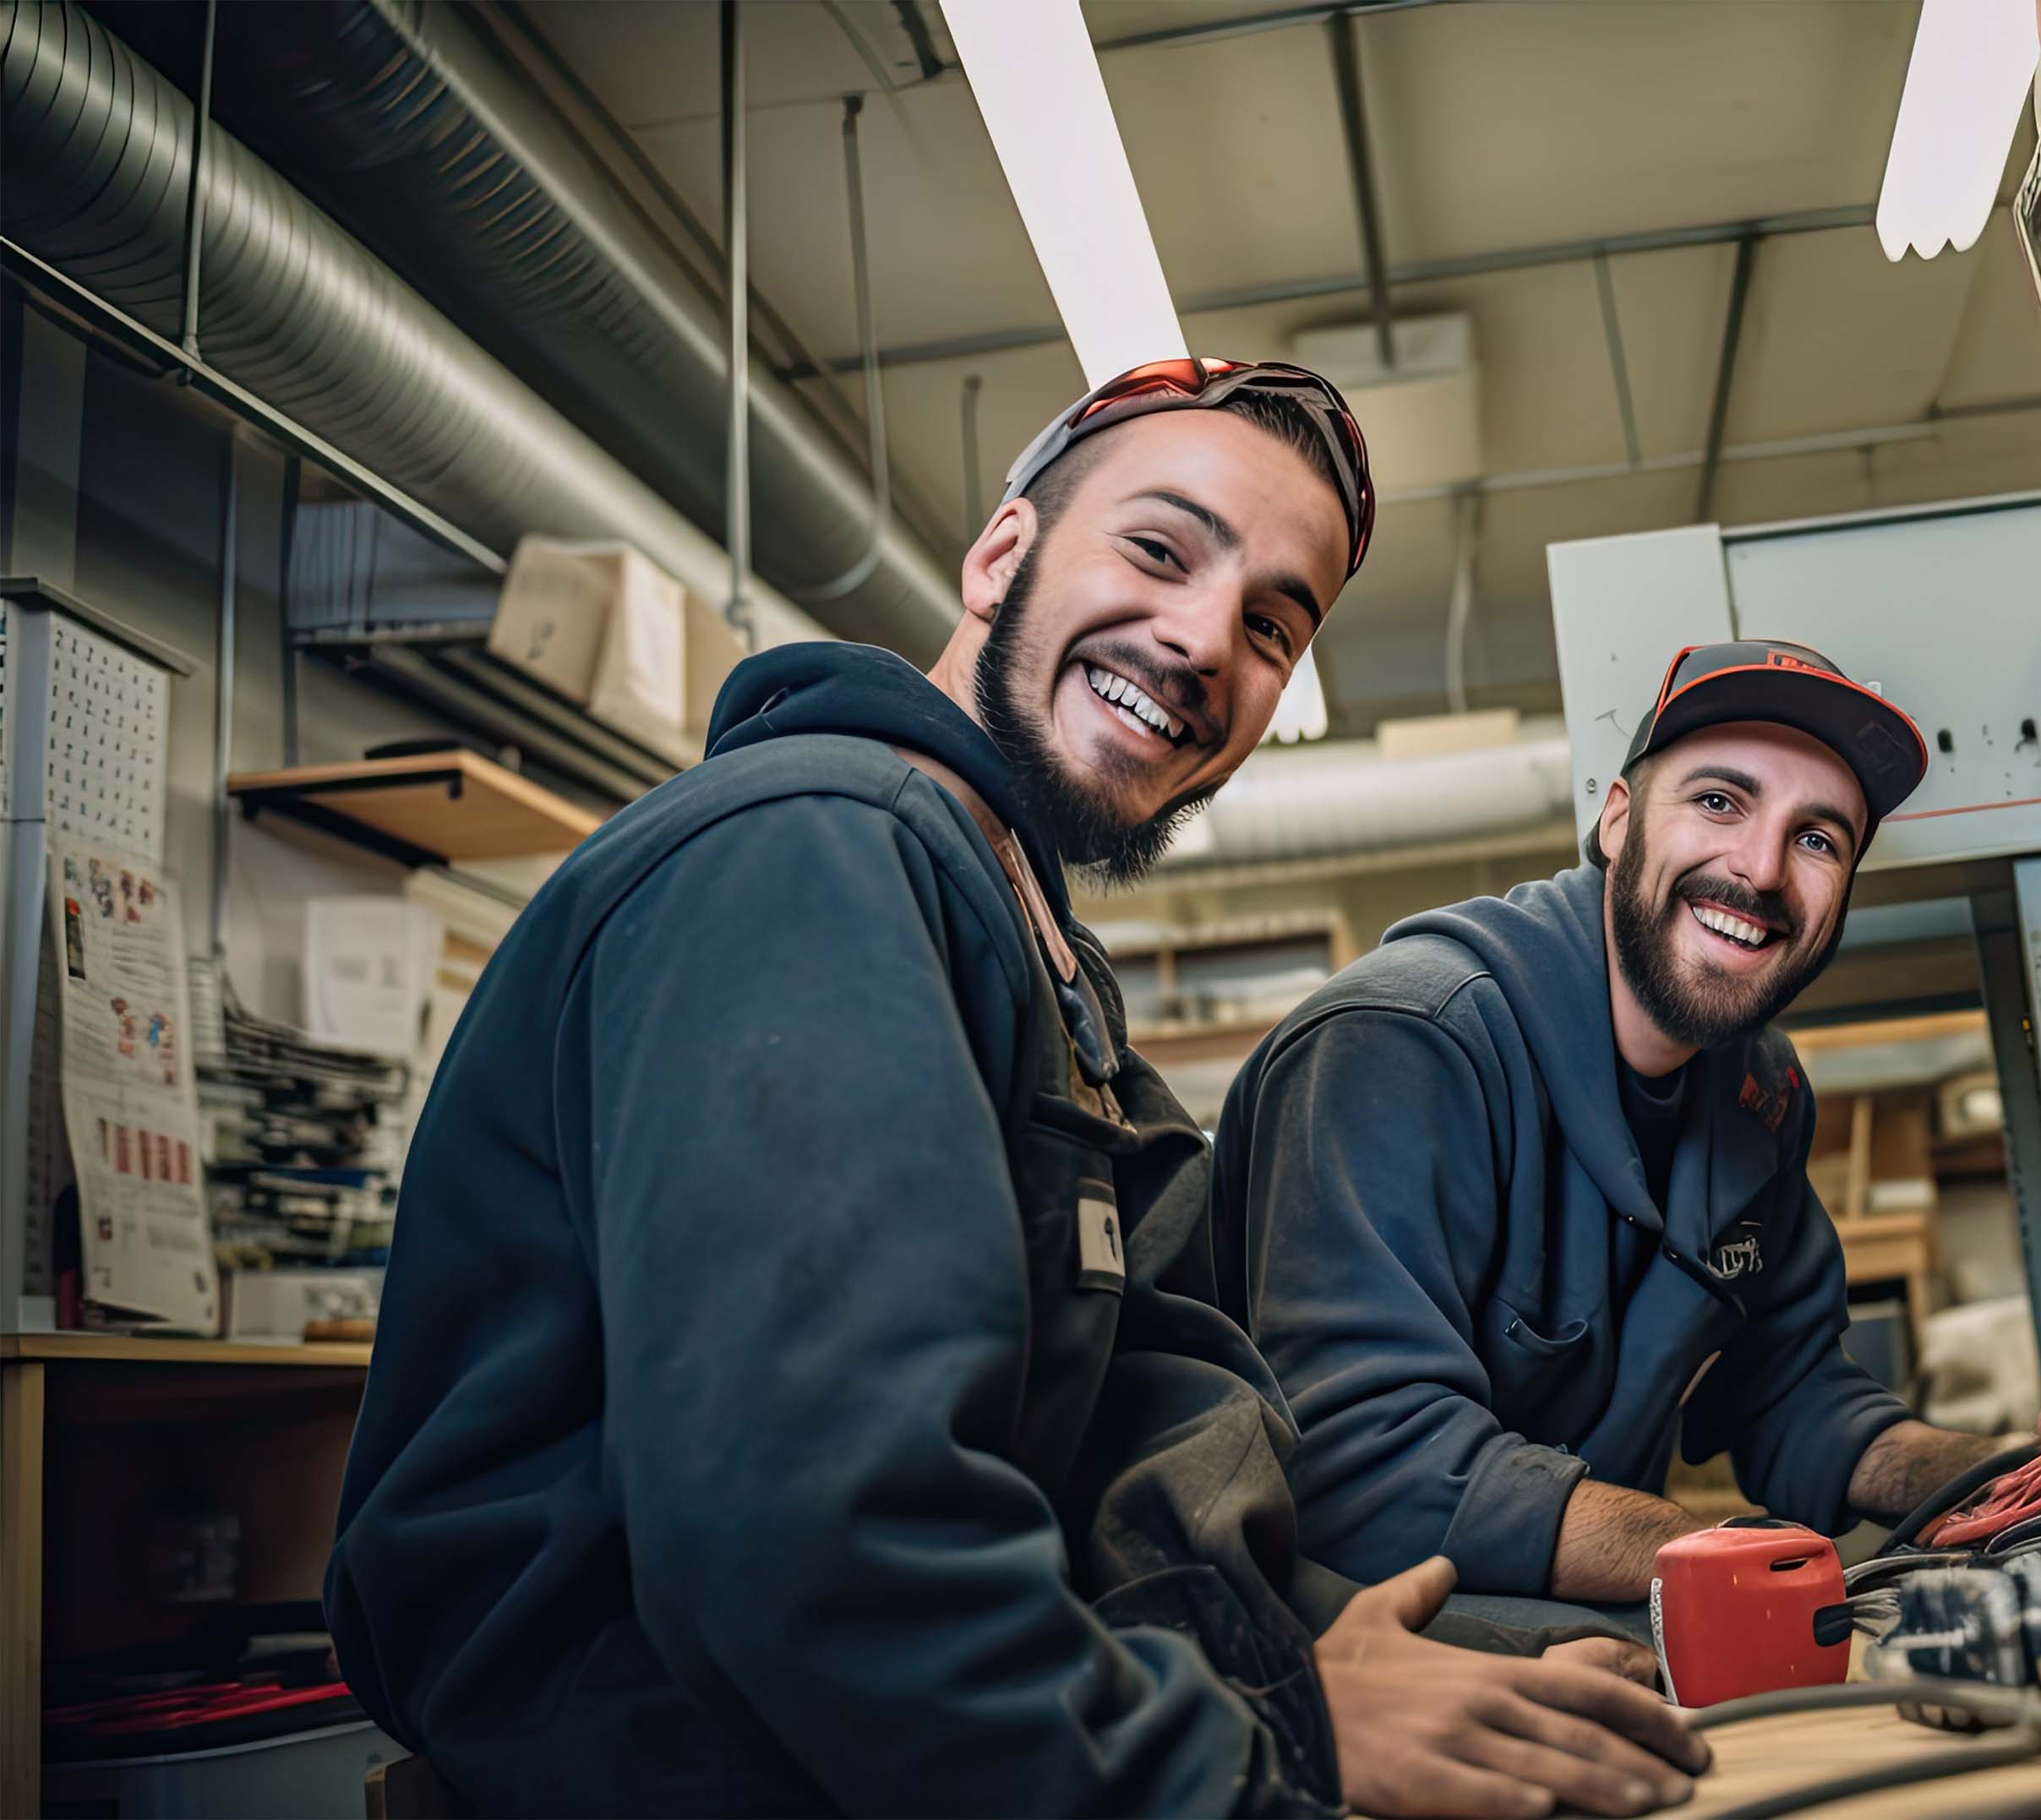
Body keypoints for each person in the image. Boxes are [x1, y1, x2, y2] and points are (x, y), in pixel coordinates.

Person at [326, 359, 1707, 1818]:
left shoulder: (1043, 962)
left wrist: (1352, 1651)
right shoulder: (814, 851)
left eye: (1267, 626)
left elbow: (1152, 1434)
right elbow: (820, 1545)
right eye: (1158, 548)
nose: (1198, 640)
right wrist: (1267, 1747)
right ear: (999, 555)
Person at [1213, 640, 2041, 1627]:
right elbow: (1363, 1469)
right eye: (1718, 802)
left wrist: (2011, 1475)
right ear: (1616, 821)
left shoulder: (1761, 1093)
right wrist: (1710, 1554)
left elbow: (1788, 1397)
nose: (1760, 869)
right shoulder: (1404, 1044)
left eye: (1818, 839)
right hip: (1331, 1638)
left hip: (1550, 1615)